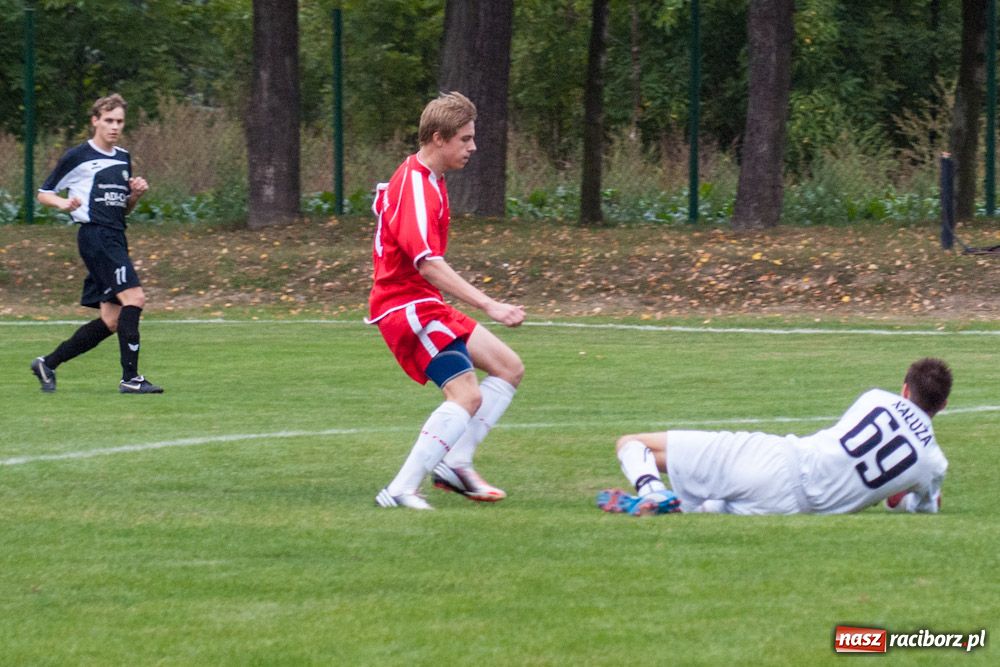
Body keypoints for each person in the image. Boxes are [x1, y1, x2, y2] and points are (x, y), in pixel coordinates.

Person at [367, 91, 525, 510]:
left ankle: (455, 462)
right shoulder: (416, 186)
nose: (473, 147)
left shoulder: (429, 180)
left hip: (423, 303)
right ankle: (400, 489)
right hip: (406, 308)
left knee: (508, 367)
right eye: (465, 139)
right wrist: (490, 304)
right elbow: (427, 264)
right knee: (466, 397)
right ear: (438, 138)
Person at [598, 358, 952, 516]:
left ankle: (650, 490)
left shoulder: (876, 397)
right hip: (790, 510)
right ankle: (665, 501)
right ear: (944, 405)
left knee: (634, 444)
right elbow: (923, 507)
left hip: (777, 459)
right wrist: (898, 498)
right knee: (706, 509)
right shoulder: (933, 463)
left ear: (904, 390)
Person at [30, 93, 163, 395]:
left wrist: (135, 196)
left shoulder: (123, 157)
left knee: (111, 320)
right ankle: (131, 378)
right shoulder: (78, 156)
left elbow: (122, 209)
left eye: (119, 121)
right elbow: (43, 192)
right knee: (135, 298)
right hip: (96, 237)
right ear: (95, 121)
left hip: (115, 235)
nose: (114, 127)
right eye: (108, 120)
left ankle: (47, 363)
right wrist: (64, 204)